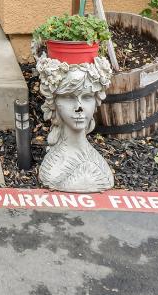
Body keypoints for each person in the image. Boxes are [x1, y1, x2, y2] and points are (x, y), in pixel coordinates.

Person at [35, 54, 115, 193]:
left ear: (96, 101)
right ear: (54, 103)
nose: (79, 107)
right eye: (68, 97)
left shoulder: (97, 162)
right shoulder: (52, 168)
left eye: (87, 97)